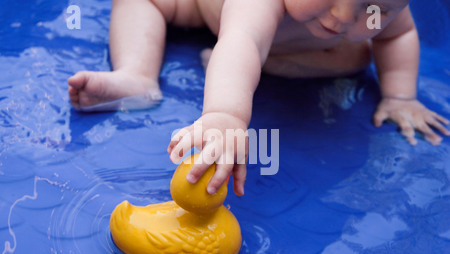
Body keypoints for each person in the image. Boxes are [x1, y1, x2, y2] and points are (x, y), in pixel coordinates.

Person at [68, 0, 450, 197]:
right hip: (207, 11)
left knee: (358, 55)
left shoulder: (373, 11)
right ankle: (137, 75)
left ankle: (246, 65)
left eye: (375, 9)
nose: (342, 17)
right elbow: (243, 41)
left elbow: (396, 35)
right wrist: (225, 116)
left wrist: (401, 95)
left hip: (288, 48)